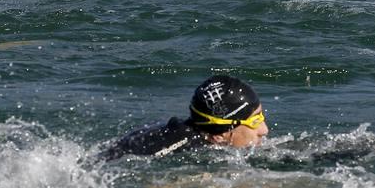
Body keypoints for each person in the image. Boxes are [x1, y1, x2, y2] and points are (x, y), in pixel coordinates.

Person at [100, 75, 268, 160]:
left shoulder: (196, 133)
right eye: (254, 121)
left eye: (261, 116)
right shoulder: (179, 146)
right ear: (220, 135)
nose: (264, 130)